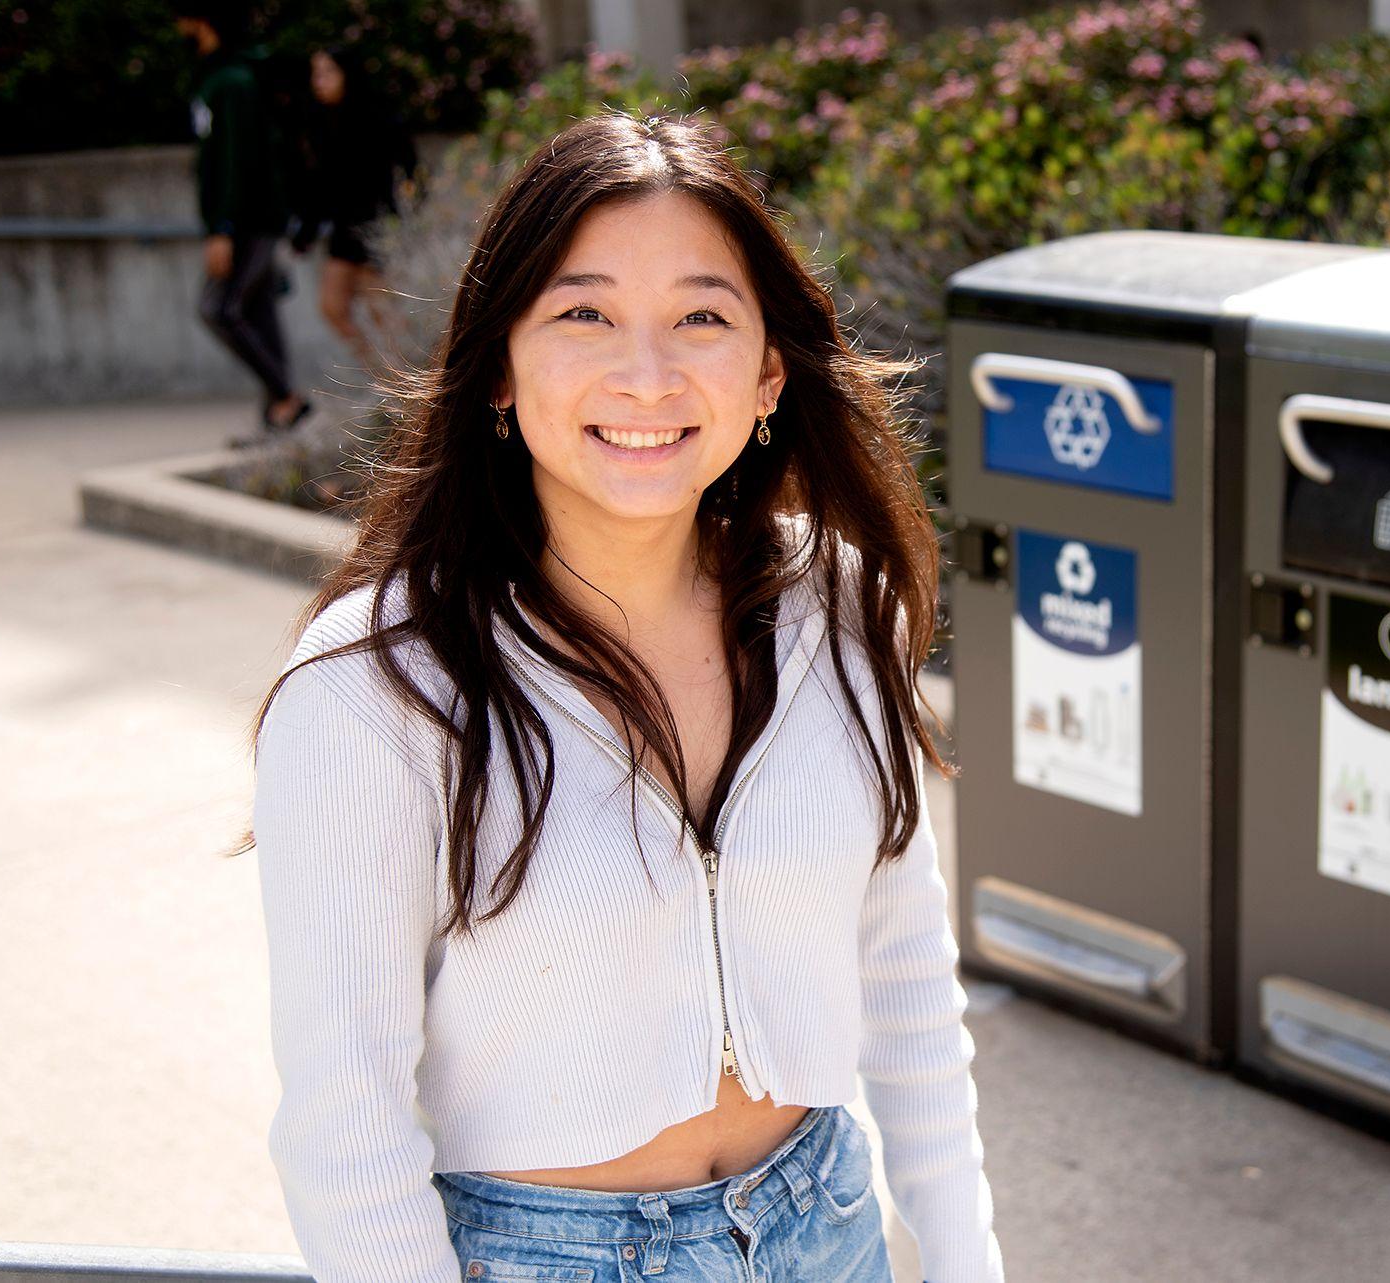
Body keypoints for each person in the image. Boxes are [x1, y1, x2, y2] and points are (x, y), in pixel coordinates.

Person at [236, 109, 1003, 1283]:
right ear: (499, 363)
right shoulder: (376, 683)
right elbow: (346, 1122)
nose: (645, 374)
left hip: (823, 1220)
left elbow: (898, 969)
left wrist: (963, 1263)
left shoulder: (839, 604)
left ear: (765, 375)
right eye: (583, 313)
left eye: (701, 316)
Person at [173, 0, 313, 441]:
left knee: (220, 308)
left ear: (201, 20)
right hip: (248, 220)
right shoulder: (216, 78)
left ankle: (287, 396)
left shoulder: (233, 82)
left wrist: (224, 229)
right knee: (258, 311)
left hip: (252, 220)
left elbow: (237, 161)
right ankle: (278, 423)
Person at [289, 44, 419, 376]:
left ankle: (402, 385)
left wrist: (398, 217)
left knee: (383, 313)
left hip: (376, 229)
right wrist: (305, 230)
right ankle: (383, 377)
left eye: (328, 72)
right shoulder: (320, 123)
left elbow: (408, 170)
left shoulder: (377, 117)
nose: (320, 81)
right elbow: (319, 186)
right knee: (333, 306)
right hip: (345, 232)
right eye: (315, 74)